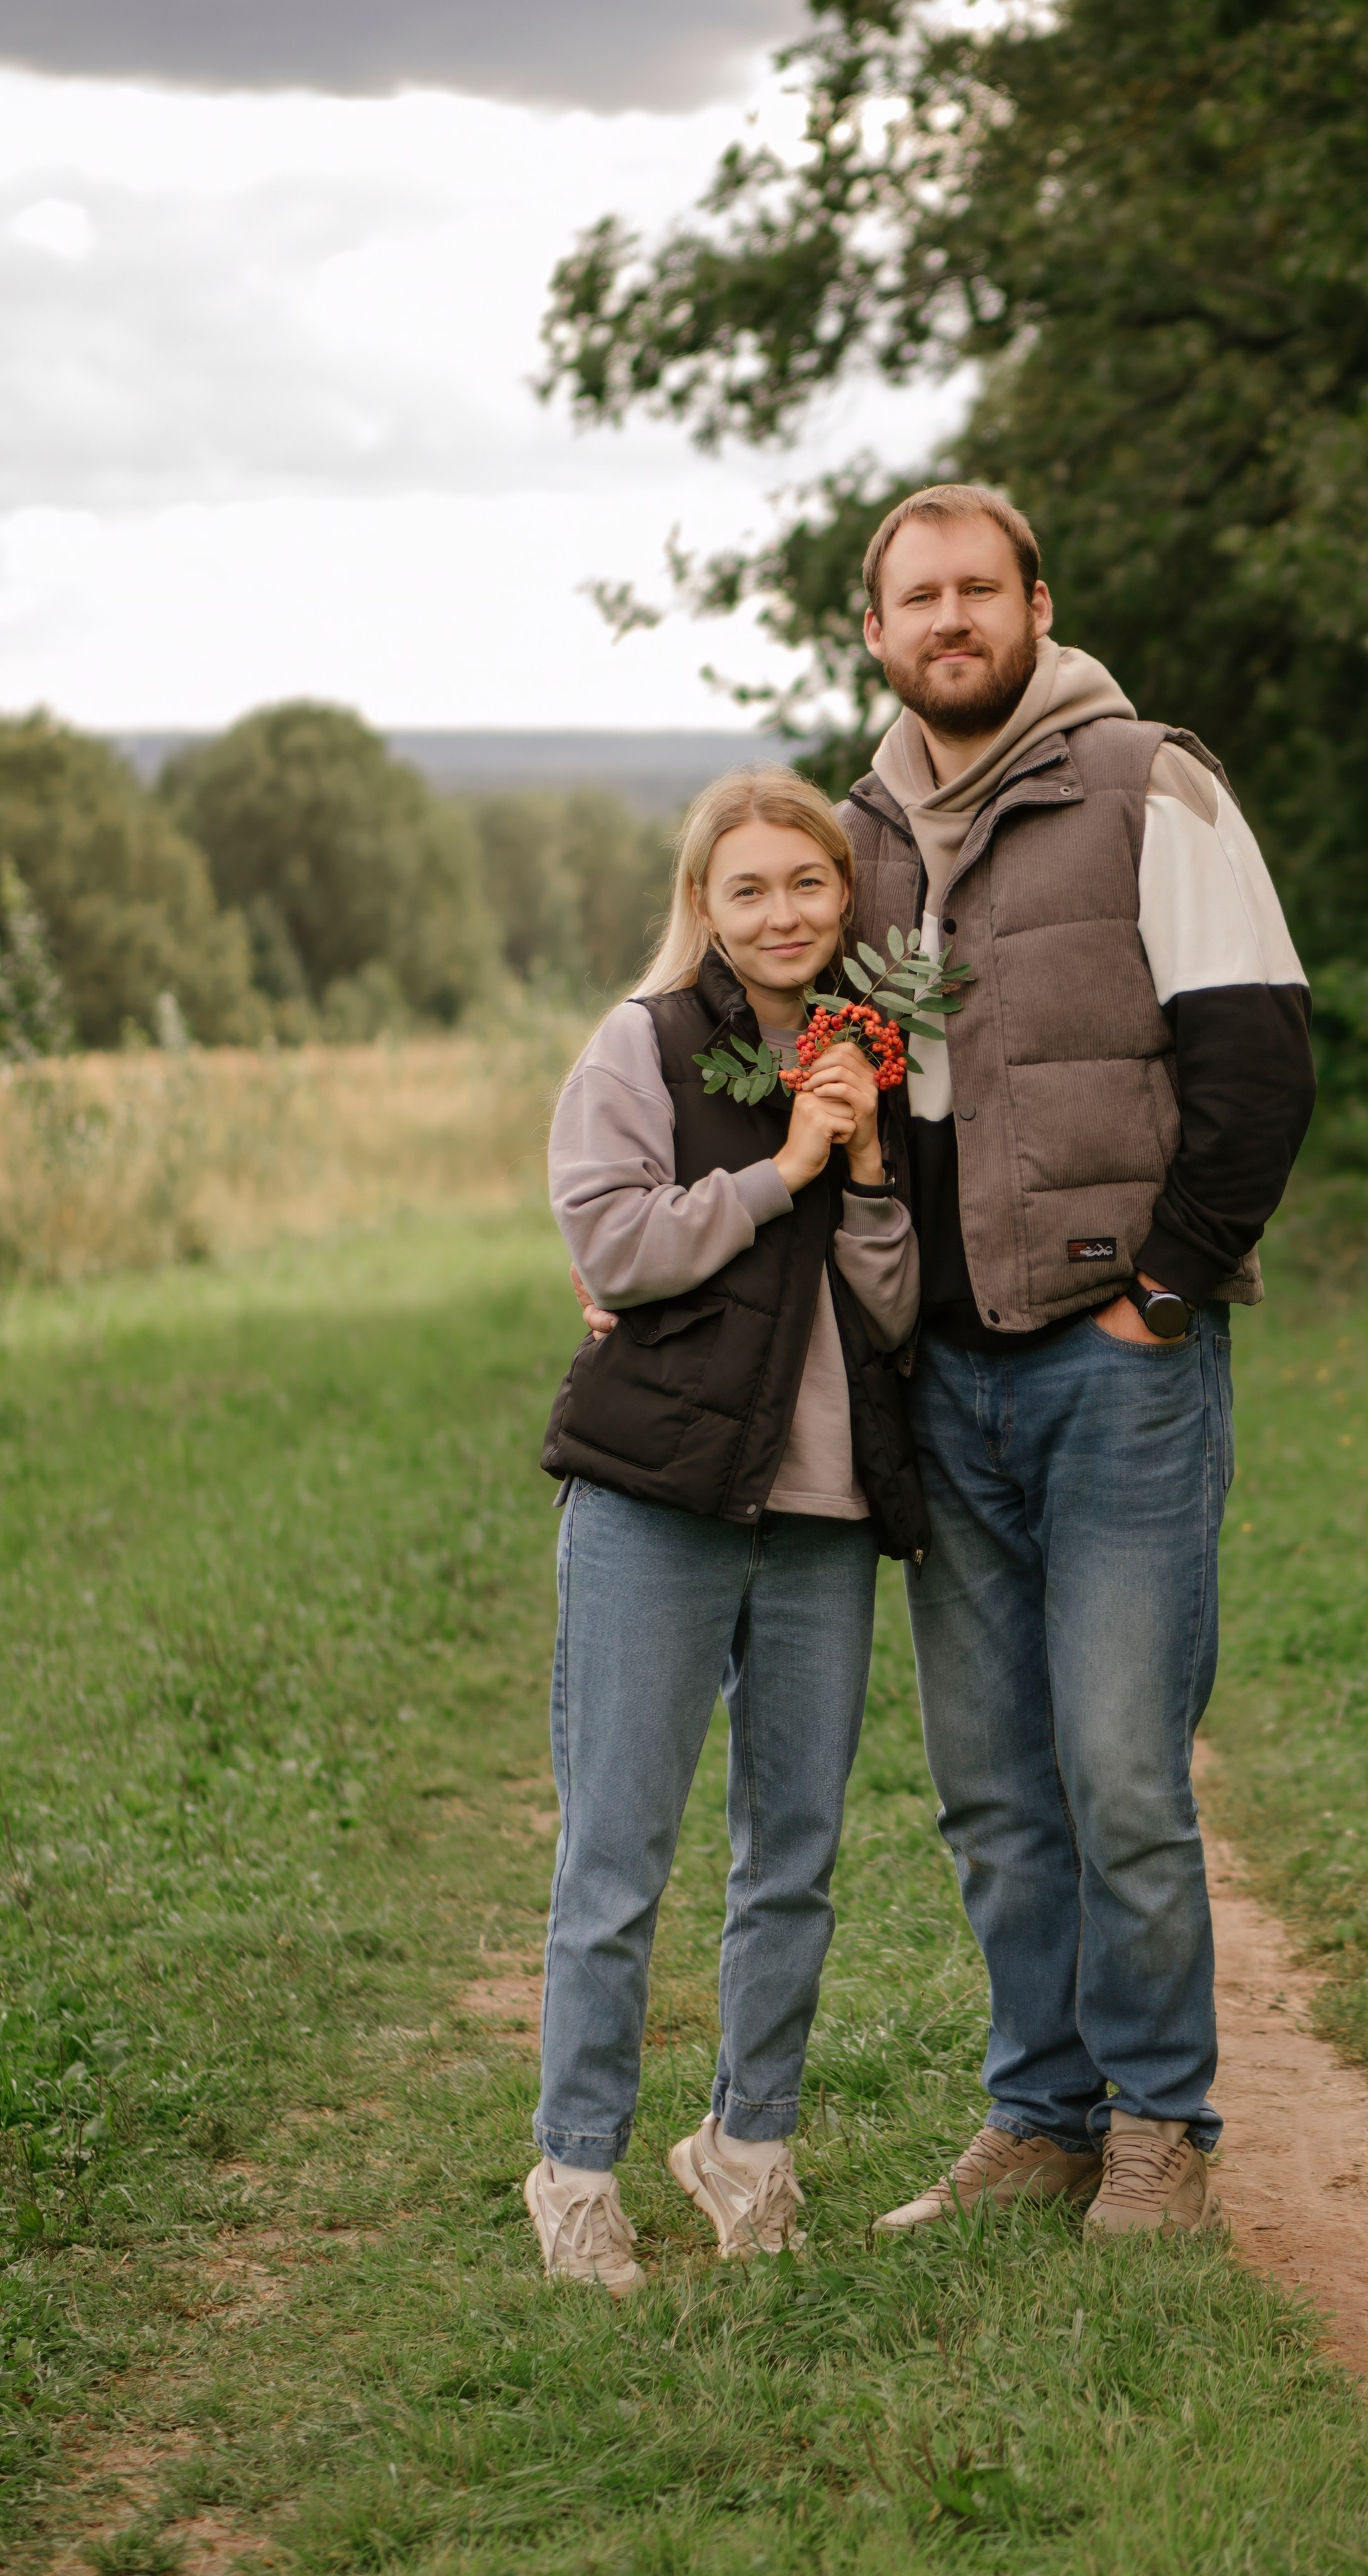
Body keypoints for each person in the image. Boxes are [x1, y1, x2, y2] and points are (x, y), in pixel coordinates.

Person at [838, 484, 1318, 2239]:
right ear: (877, 633)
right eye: (919, 598)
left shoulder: (1149, 782)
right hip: (942, 1380)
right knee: (990, 1789)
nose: (951, 618)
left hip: (1118, 1368)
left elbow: (1258, 1058)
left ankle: (1160, 2132)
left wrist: (1165, 1291)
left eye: (981, 588)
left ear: (1038, 603)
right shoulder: (859, 835)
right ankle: (1037, 2117)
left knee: (1120, 1769)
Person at [525, 765, 928, 2296]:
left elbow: (895, 1314)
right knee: (615, 1856)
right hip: (660, 1501)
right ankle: (574, 2169)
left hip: (824, 1513)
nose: (781, 913)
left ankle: (747, 2146)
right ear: (704, 905)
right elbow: (614, 1247)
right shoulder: (643, 1045)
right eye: (747, 888)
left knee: (795, 1857)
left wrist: (871, 1162)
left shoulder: (878, 1050)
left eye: (808, 885)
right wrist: (778, 1177)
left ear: (848, 901)